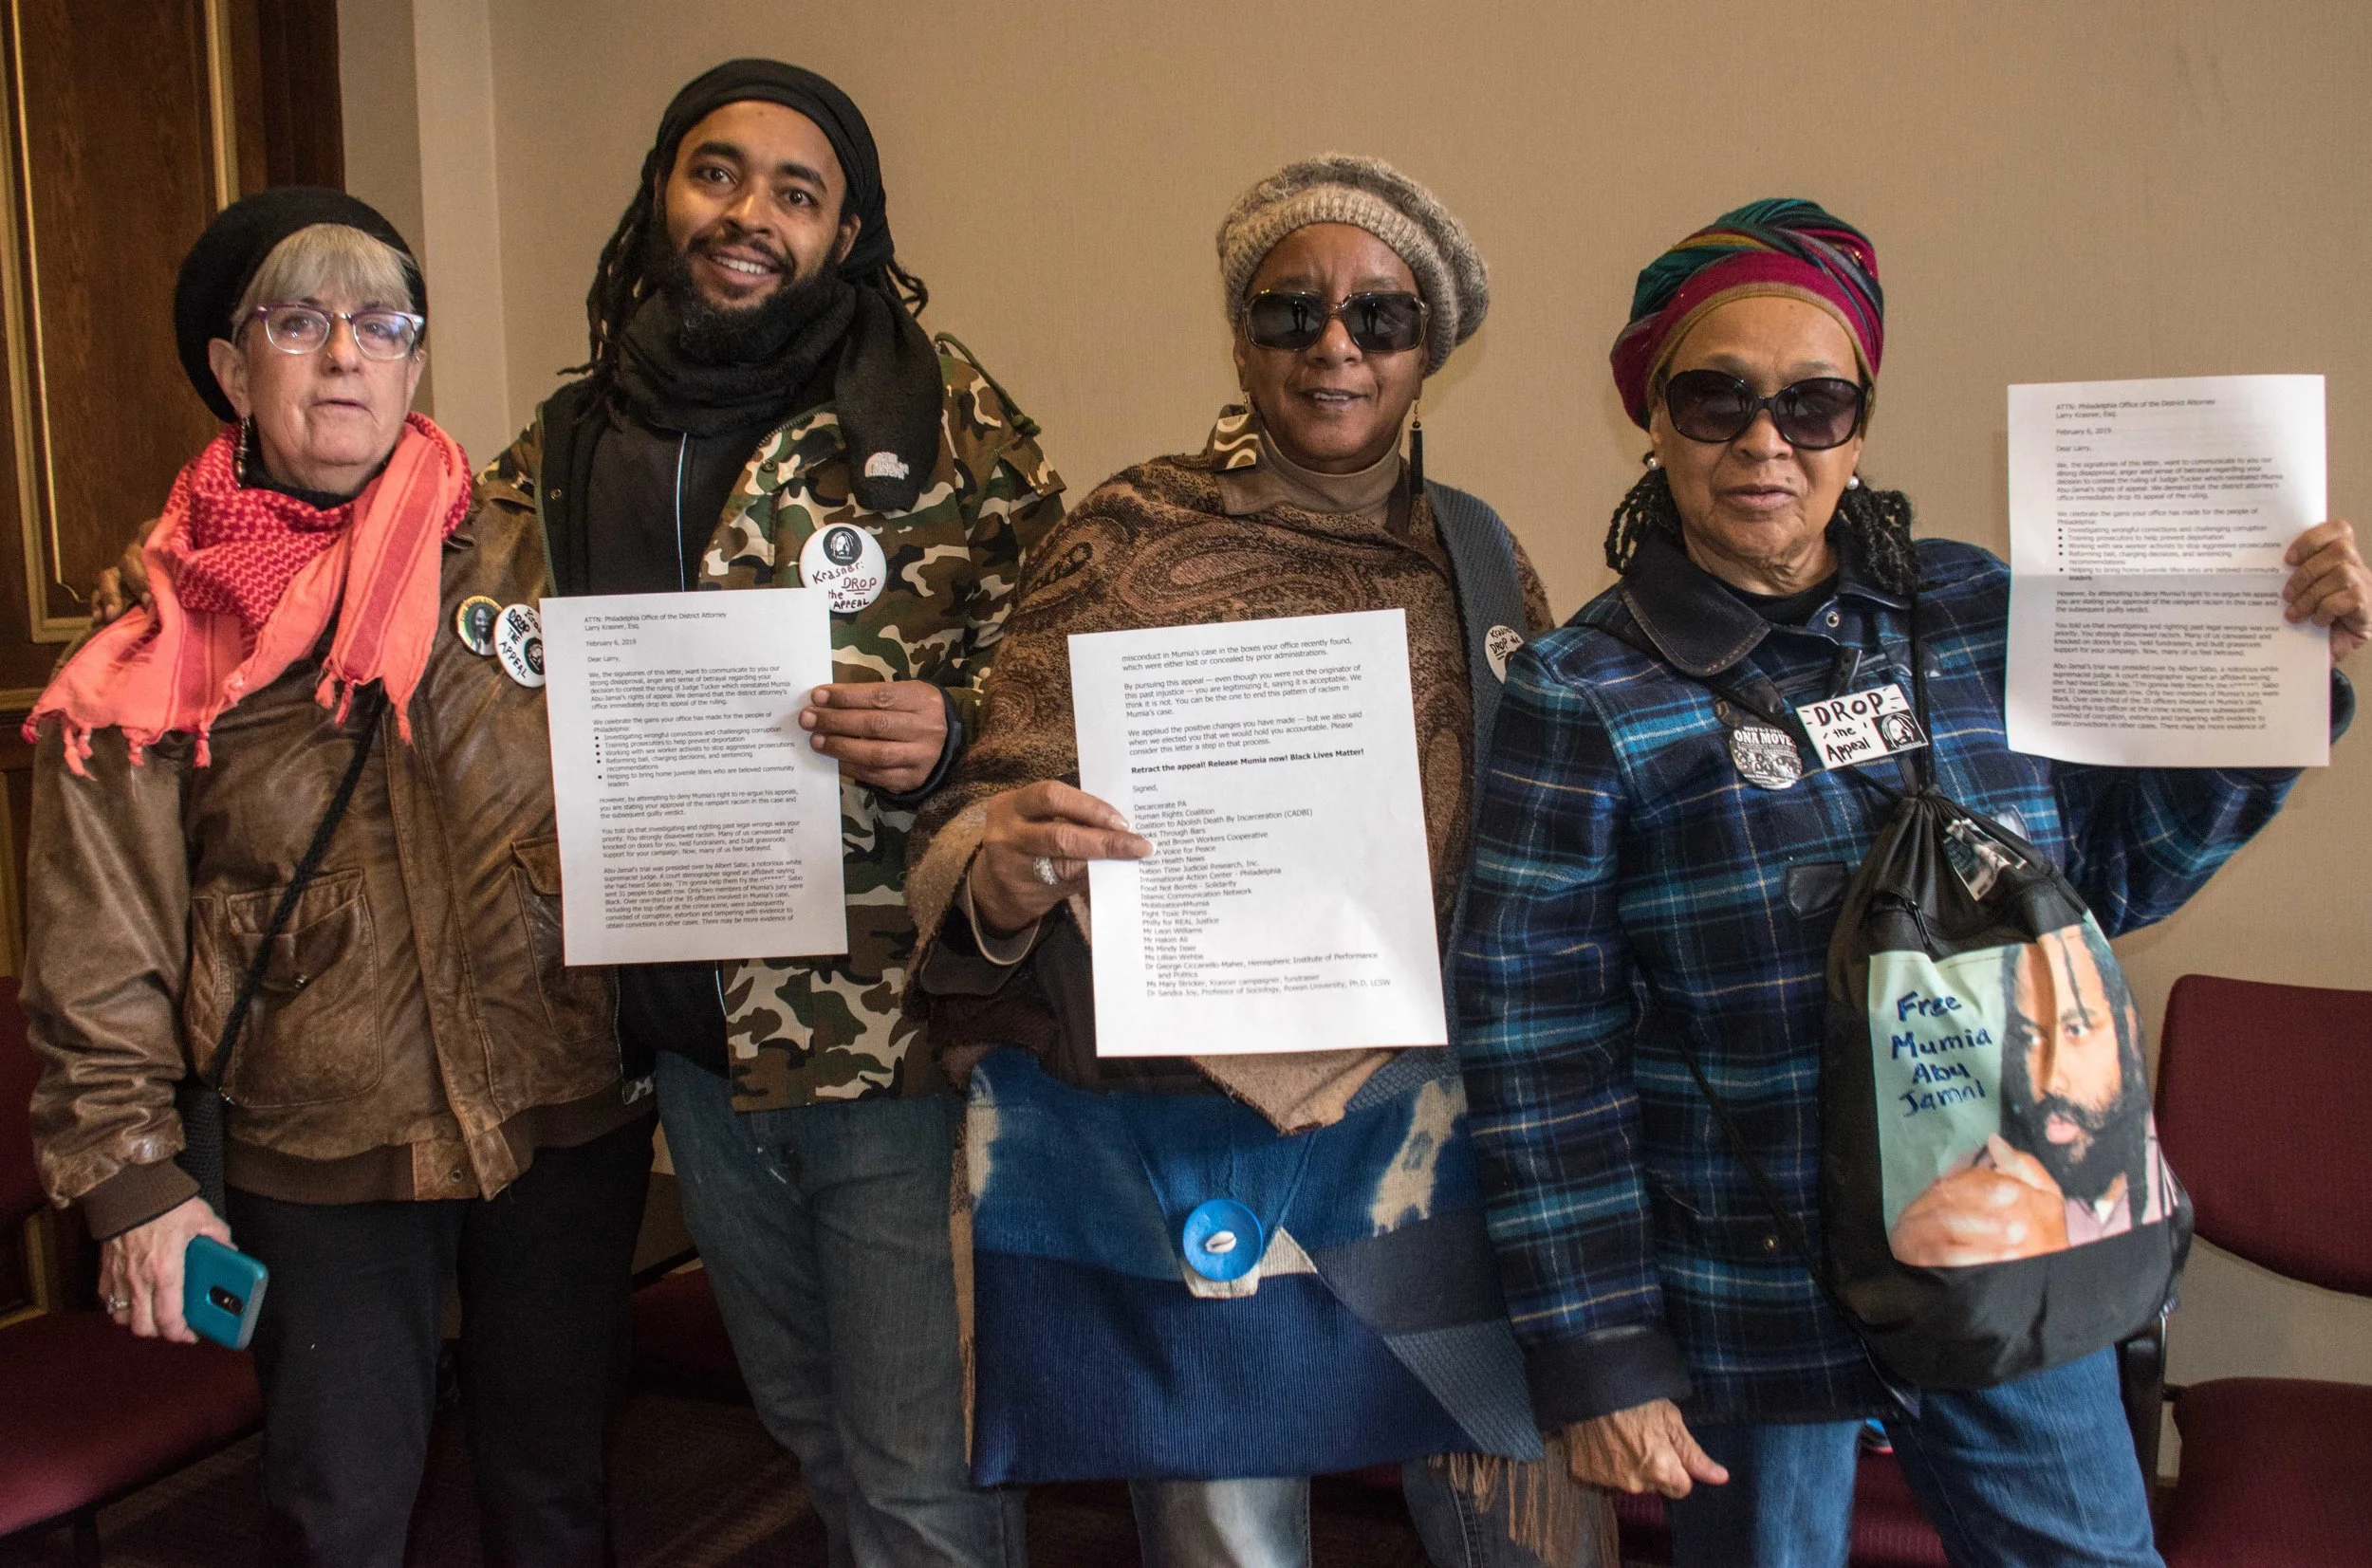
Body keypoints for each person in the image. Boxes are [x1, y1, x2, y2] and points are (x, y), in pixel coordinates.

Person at [1452, 196, 2368, 1567]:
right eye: (1717, 401)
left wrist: (2295, 687)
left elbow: (2110, 877)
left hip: (2007, 1255)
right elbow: (1535, 1043)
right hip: (1751, 1296)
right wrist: (1601, 1354)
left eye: (1813, 405)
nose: (1766, 442)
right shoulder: (1583, 693)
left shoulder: (1981, 615)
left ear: (1860, 426)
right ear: (1653, 420)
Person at [905, 155, 1614, 1568]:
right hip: (1182, 1136)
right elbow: (992, 813)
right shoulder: (1122, 534)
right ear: (1238, 335)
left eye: (1379, 317)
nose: (1335, 347)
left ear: (1433, 349)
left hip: (1435, 1138)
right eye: (1292, 313)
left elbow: (1543, 847)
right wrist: (1006, 868)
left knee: (1527, 1531)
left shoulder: (1485, 561)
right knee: (1229, 1545)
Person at [472, 60, 1063, 1567]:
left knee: (925, 1475)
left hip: (890, 1047)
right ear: (661, 196)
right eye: (715, 173)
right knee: (805, 1436)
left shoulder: (950, 426)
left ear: (848, 228)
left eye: (796, 193)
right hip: (681, 1045)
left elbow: (1072, 681)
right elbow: (450, 650)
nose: (749, 215)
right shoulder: (561, 448)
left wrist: (954, 739)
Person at [24, 189, 652, 1566]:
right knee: (340, 1514)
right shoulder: (155, 625)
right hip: (317, 1144)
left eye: (384, 324)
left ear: (418, 362)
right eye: (298, 323)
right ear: (230, 368)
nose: (345, 356)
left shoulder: (539, 557)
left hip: (560, 1108)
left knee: (559, 1497)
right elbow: (99, 936)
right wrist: (132, 1179)